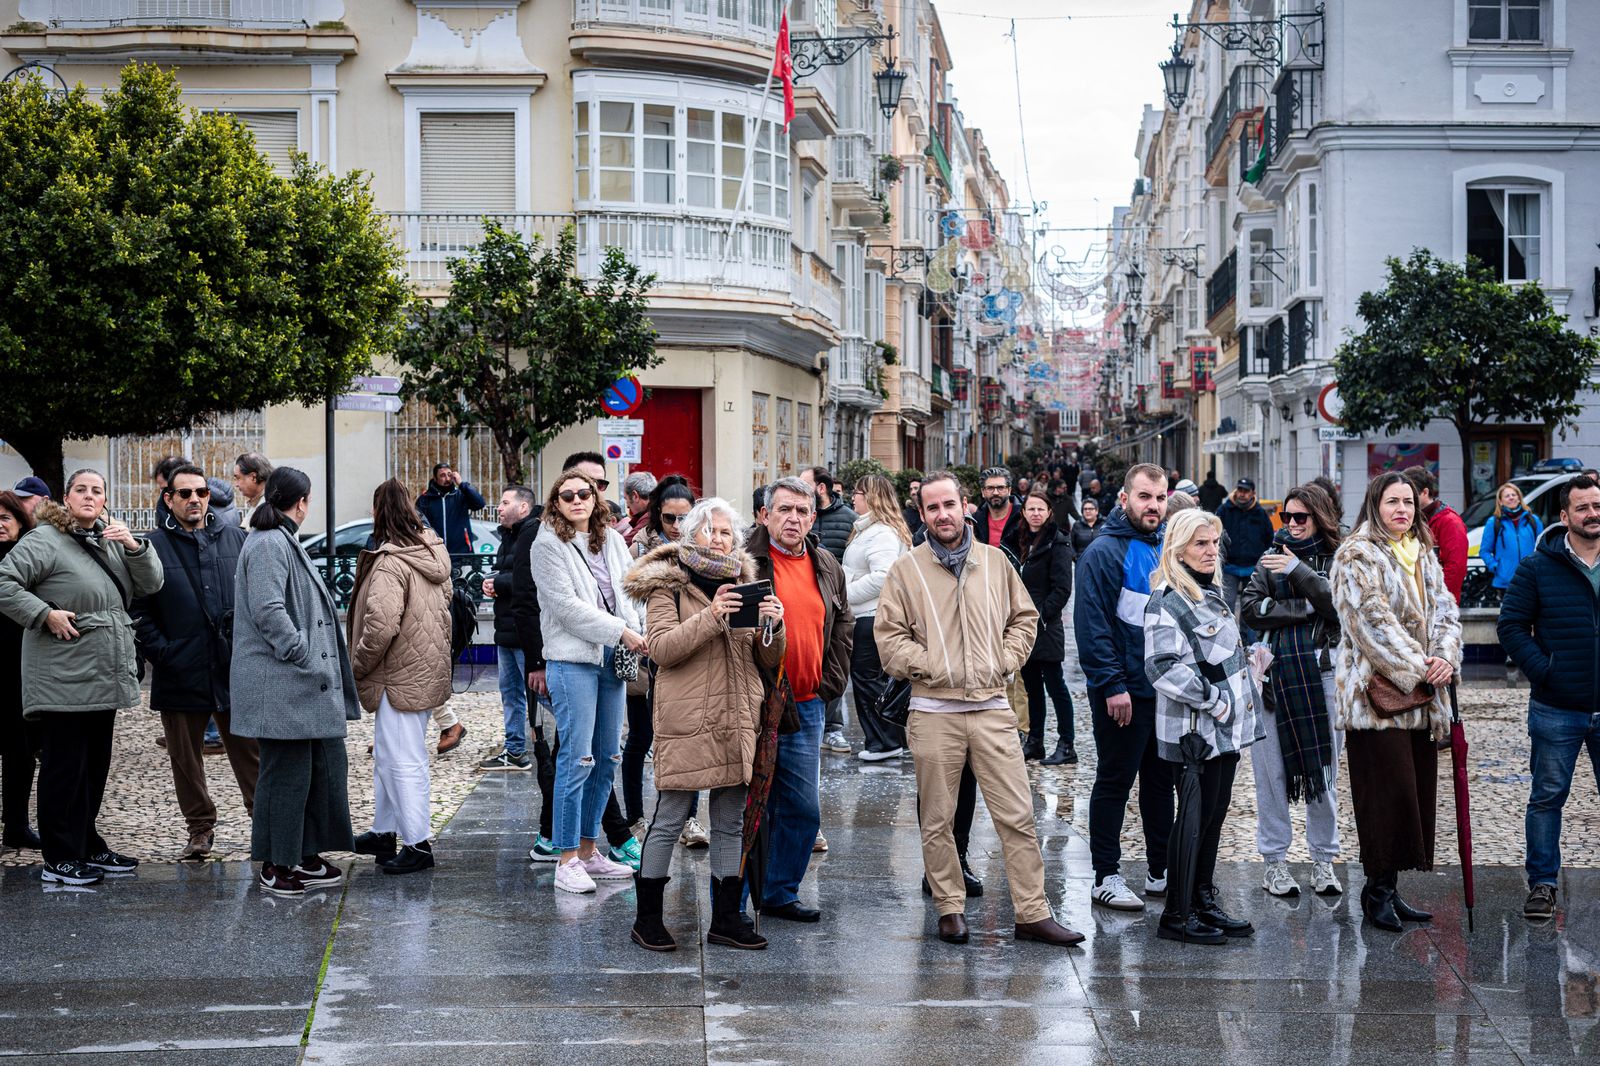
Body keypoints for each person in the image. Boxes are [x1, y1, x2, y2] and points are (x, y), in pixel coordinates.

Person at [876, 471, 1084, 948]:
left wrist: (1004, 660)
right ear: (923, 514)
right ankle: (949, 908)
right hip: (933, 711)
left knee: (1017, 814)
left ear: (964, 505)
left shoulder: (994, 562)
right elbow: (888, 639)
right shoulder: (906, 570)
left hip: (992, 709)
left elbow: (1024, 618)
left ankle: (1032, 912)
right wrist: (932, 666)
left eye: (949, 504)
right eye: (932, 508)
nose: (942, 514)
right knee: (938, 818)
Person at [623, 497, 785, 952]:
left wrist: (773, 627)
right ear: (690, 534)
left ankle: (727, 918)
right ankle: (647, 918)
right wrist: (712, 616)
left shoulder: (744, 581)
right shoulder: (667, 585)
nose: (720, 538)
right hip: (689, 718)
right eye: (711, 530)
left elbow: (764, 658)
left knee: (730, 821)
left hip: (737, 718)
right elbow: (661, 650)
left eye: (727, 532)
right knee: (671, 816)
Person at [0, 470, 162, 886]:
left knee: (94, 766)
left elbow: (152, 583)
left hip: (102, 672)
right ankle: (59, 857)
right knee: (63, 768)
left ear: (105, 498)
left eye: (98, 490)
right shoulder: (44, 539)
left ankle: (87, 842)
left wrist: (134, 546)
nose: (90, 496)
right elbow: (4, 582)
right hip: (62, 675)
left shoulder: (107, 541)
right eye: (81, 490)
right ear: (66, 499)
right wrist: (43, 614)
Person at [1330, 472, 1462, 932]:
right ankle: (1376, 891)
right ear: (1375, 505)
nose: (1402, 510)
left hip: (1422, 697)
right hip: (1376, 698)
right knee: (1383, 797)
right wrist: (1423, 666)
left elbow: (1445, 608)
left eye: (1408, 502)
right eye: (1392, 502)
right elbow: (1371, 624)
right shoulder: (1356, 554)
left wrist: (1445, 655)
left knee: (1414, 795)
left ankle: (1392, 887)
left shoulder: (1421, 550)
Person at [230, 467, 359, 896]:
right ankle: (275, 862)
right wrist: (300, 651)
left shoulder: (280, 538)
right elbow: (268, 610)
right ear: (301, 502)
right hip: (282, 684)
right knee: (284, 776)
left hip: (300, 685)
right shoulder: (268, 543)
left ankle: (304, 853)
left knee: (319, 769)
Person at [1144, 508, 1263, 944]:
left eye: (1214, 542)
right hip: (1195, 732)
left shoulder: (1208, 591)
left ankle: (1202, 900)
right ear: (1177, 548)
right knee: (1192, 818)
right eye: (1201, 543)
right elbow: (1161, 667)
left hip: (1224, 731)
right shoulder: (1168, 599)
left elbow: (1215, 654)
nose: (1212, 550)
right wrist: (1214, 700)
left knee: (1213, 816)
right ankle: (1177, 913)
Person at [130, 464, 258, 861]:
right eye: (184, 493)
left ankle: (266, 822)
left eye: (200, 492)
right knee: (185, 759)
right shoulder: (151, 546)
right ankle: (199, 829)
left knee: (251, 752)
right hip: (180, 668)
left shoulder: (237, 539)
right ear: (169, 499)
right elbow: (138, 610)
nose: (194, 500)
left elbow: (256, 598)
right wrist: (164, 652)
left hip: (232, 666)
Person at [529, 467, 646, 895]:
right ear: (555, 503)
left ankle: (588, 849)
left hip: (613, 658)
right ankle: (564, 858)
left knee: (607, 756)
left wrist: (637, 631)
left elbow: (630, 590)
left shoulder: (614, 540)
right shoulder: (547, 545)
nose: (577, 500)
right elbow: (566, 608)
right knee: (576, 758)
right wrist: (622, 631)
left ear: (596, 498)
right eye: (567, 496)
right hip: (572, 660)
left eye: (585, 493)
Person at [744, 476, 853, 922]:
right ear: (765, 515)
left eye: (802, 511)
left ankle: (780, 892)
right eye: (784, 510)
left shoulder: (826, 562)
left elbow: (843, 622)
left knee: (803, 808)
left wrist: (832, 681)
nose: (793, 518)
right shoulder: (745, 561)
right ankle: (733, 901)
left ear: (813, 517)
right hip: (757, 703)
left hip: (808, 703)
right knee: (748, 804)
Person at [1497, 475, 1600, 921]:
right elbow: (1511, 627)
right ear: (1565, 517)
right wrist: (1546, 671)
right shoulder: (1538, 566)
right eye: (1582, 507)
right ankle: (1543, 884)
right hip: (1556, 706)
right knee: (1546, 798)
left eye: (1597, 505)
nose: (1592, 513)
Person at [1074, 463, 1175, 911]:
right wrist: (1113, 685)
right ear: (1124, 499)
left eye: (1159, 497)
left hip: (1165, 692)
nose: (1152, 505)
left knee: (1160, 783)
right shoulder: (1102, 552)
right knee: (1115, 781)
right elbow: (1091, 626)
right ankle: (1105, 875)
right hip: (1122, 693)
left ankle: (1161, 870)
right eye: (1144, 497)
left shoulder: (1169, 546)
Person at [1240, 484, 1346, 898]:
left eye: (1301, 517)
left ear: (1319, 516)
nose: (1293, 525)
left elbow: (1338, 604)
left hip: (1321, 675)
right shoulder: (1270, 557)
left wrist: (1298, 575)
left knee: (1324, 772)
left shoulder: (1340, 558)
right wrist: (1304, 608)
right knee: (1271, 774)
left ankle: (1323, 860)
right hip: (1272, 675)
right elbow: (1250, 609)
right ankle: (1275, 863)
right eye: (1287, 517)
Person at [348, 479, 452, 875]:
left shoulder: (391, 561)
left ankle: (417, 843)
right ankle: (384, 830)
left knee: (403, 761)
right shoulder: (431, 548)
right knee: (391, 758)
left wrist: (358, 665)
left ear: (378, 512)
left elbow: (380, 625)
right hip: (423, 669)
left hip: (397, 674)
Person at [626, 474, 707, 847]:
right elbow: (626, 597)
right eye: (669, 518)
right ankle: (636, 818)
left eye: (683, 518)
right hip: (644, 653)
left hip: (687, 655)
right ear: (657, 514)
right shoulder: (639, 547)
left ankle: (689, 820)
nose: (676, 526)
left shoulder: (703, 550)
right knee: (641, 737)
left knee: (686, 740)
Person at [843, 475, 912, 762]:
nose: (852, 498)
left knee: (867, 680)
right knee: (872, 679)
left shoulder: (881, 533)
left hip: (870, 618)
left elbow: (883, 577)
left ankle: (883, 742)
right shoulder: (869, 529)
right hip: (868, 616)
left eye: (857, 493)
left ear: (870, 497)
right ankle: (887, 739)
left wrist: (843, 594)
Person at [1011, 490, 1076, 765]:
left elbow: (1062, 589)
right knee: (1031, 686)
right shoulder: (1019, 542)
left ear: (1049, 512)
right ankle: (1035, 741)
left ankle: (1067, 743)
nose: (1035, 513)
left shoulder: (1057, 543)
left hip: (1046, 627)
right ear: (1024, 512)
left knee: (1055, 685)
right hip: (1023, 628)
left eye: (1041, 508)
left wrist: (1040, 617)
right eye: (1031, 509)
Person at [479, 485, 538, 772]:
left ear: (523, 507)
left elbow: (530, 579)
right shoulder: (509, 536)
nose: (499, 508)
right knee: (511, 693)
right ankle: (515, 751)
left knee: (541, 693)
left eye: (504, 502)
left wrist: (498, 583)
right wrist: (492, 580)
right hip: (506, 627)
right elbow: (508, 572)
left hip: (522, 629)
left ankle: (581, 744)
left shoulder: (532, 534)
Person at [801, 467, 856, 754]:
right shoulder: (801, 520)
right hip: (805, 599)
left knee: (830, 662)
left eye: (804, 484)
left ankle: (832, 729)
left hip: (832, 603)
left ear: (820, 489)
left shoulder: (849, 520)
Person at [0, 492, 39, 851]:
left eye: (6, 517)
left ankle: (16, 825)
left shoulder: (28, 559)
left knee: (20, 751)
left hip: (21, 669)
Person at [1403, 467, 1467, 604]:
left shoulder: (1450, 522)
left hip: (1437, 603)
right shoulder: (1411, 517)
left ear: (1425, 492)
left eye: (1410, 494)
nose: (1405, 499)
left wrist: (1440, 602)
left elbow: (1455, 568)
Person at [1217, 478, 1274, 615]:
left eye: (1246, 491)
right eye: (1240, 490)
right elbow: (1215, 533)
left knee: (1250, 606)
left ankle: (1249, 637)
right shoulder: (1224, 510)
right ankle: (1228, 635)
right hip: (1229, 566)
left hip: (1252, 567)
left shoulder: (1260, 513)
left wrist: (1262, 561)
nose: (1242, 494)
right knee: (1226, 604)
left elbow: (1269, 537)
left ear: (1253, 493)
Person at [1480, 481, 1544, 595]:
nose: (1511, 498)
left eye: (1514, 495)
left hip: (1531, 579)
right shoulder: (1494, 522)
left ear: (1519, 498)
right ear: (1500, 501)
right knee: (1510, 613)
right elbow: (1484, 551)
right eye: (1507, 496)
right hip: (1506, 582)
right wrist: (1495, 567)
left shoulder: (1533, 520)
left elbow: (1542, 548)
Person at [415, 462, 488, 555]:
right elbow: (419, 524)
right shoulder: (425, 499)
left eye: (449, 475)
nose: (447, 478)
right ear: (435, 478)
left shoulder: (461, 495)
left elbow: (480, 504)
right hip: (436, 554)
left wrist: (462, 484)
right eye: (442, 475)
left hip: (462, 554)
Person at [974, 467, 1023, 557]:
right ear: (983, 492)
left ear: (1009, 490)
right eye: (990, 488)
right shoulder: (975, 521)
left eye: (1000, 488)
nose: (995, 493)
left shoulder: (1024, 517)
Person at [233, 453, 273, 529]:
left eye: (238, 478)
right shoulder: (260, 502)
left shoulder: (270, 508)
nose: (236, 484)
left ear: (253, 477)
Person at [621, 470, 658, 548]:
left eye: (626, 499)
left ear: (635, 496)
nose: (627, 506)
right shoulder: (655, 511)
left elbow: (622, 546)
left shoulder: (649, 517)